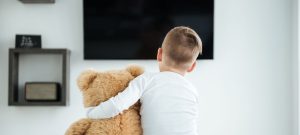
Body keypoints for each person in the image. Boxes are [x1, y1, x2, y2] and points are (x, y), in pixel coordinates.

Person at [85, 26, 202, 135]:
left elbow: (117, 105)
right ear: (192, 66)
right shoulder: (192, 89)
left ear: (159, 54)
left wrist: (92, 113)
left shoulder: (146, 80)